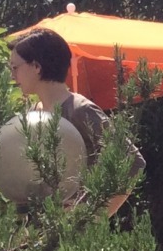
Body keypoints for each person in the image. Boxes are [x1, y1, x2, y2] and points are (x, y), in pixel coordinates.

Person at [8, 27, 143, 214]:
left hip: (76, 229)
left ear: (37, 67)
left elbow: (133, 162)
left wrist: (93, 215)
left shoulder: (79, 110)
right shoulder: (31, 113)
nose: (12, 75)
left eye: (15, 68)